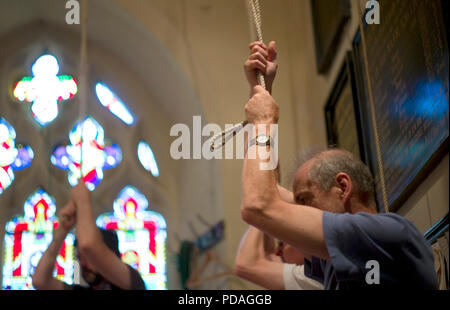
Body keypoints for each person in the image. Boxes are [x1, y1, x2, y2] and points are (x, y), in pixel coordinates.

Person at [240, 42, 438, 289]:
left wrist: (263, 121)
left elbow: (259, 205)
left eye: (304, 200)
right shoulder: (340, 257)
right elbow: (264, 192)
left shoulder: (380, 234)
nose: (296, 211)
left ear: (342, 187)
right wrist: (260, 91)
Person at [32, 180, 146, 290]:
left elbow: (88, 245)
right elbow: (40, 281)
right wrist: (62, 230)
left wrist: (82, 199)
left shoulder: (132, 282)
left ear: (111, 255)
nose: (84, 264)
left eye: (88, 258)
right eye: (80, 258)